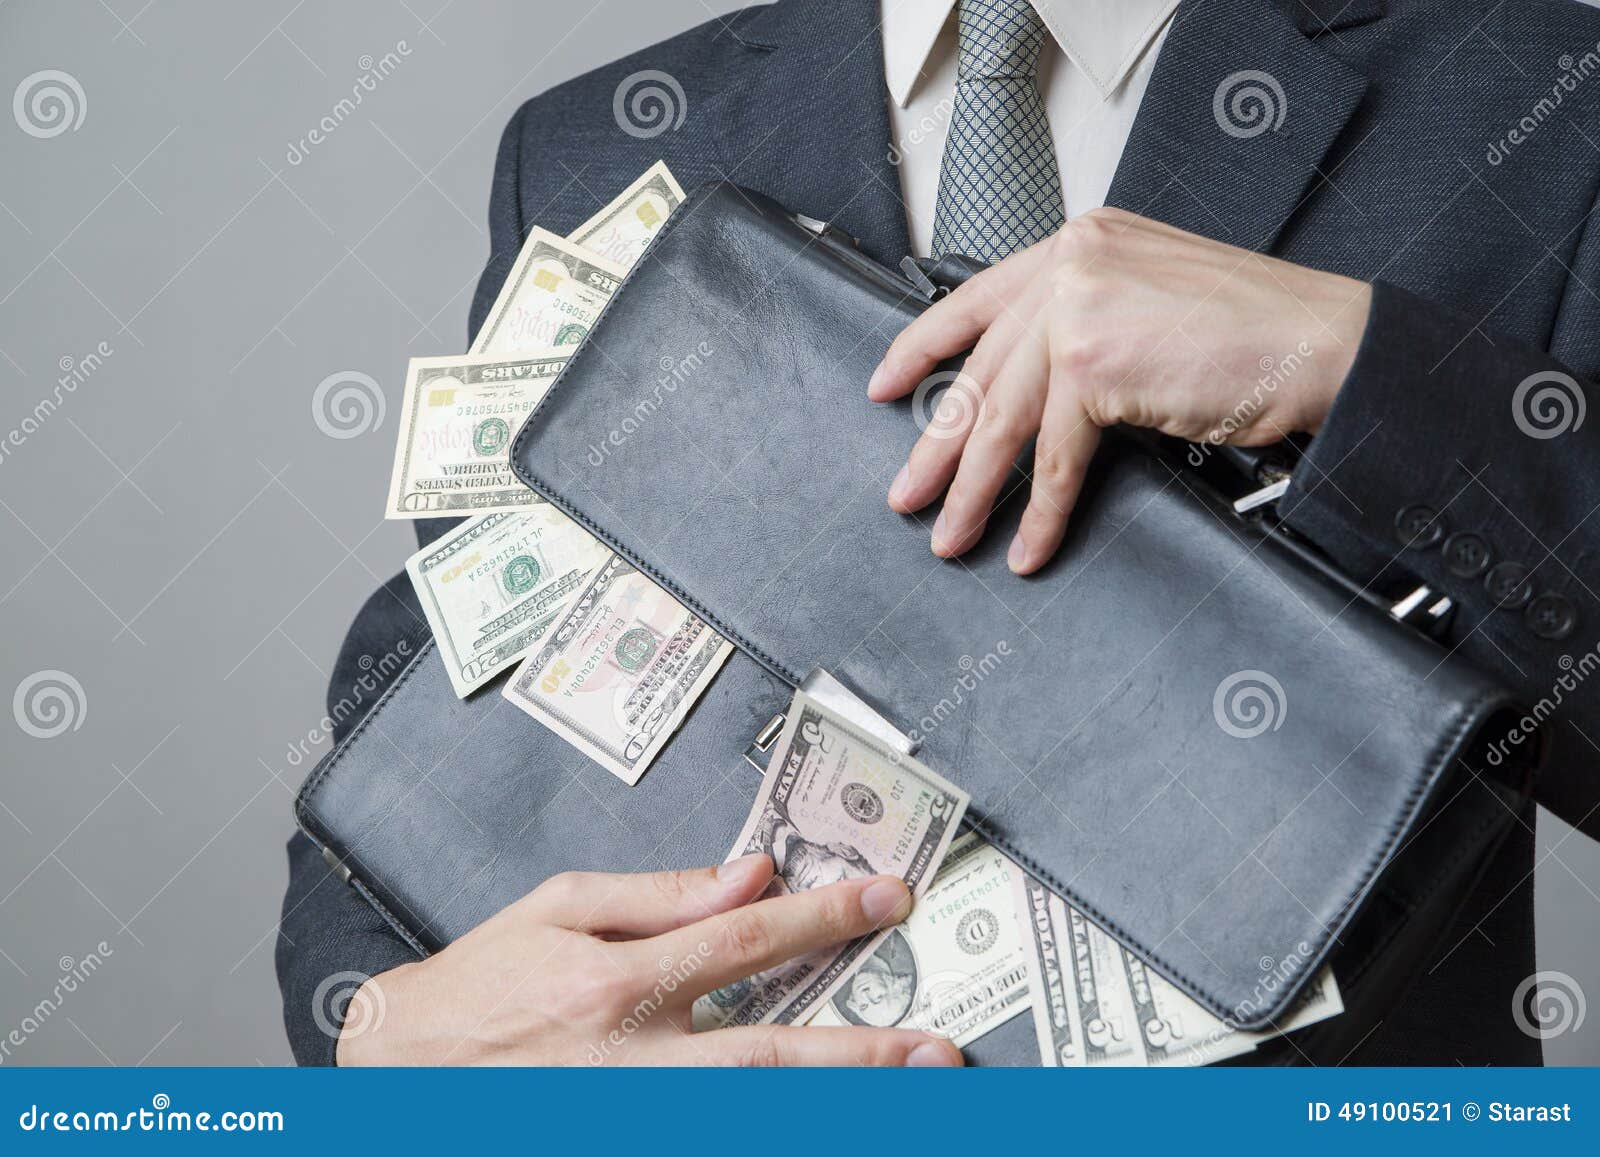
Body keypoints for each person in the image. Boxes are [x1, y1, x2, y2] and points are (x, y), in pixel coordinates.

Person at [280, 0, 1600, 1065]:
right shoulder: (596, 143)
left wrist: (1342, 357)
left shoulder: (1542, 99)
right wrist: (382, 1037)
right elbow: (431, 714)